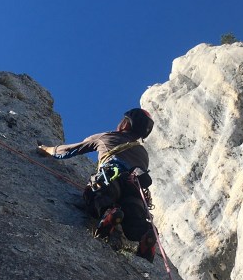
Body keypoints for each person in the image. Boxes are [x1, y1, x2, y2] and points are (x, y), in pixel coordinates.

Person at [36, 108, 158, 261]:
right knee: (134, 221)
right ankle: (145, 234)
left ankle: (110, 213)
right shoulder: (143, 153)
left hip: (111, 179)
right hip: (135, 190)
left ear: (126, 124)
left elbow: (70, 150)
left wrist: (47, 149)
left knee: (97, 198)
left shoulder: (107, 137)